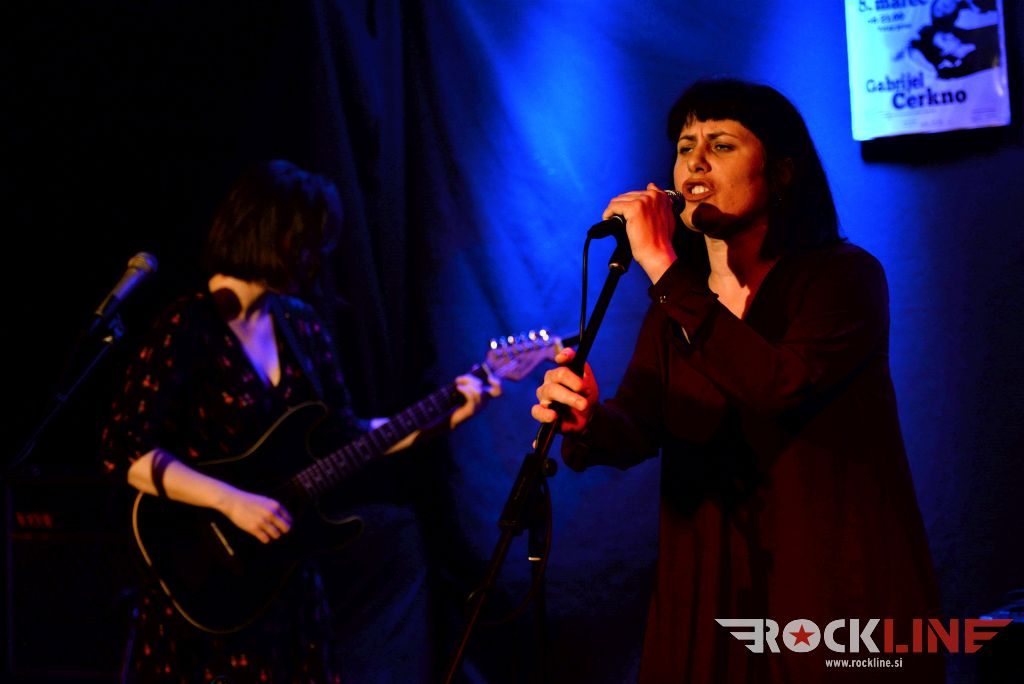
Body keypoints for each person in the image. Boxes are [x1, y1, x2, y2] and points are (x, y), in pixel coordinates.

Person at [532, 79, 942, 683]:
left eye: (720, 145)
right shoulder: (675, 308)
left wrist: (662, 265)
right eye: (684, 146)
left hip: (827, 595)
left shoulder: (843, 279)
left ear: (781, 174)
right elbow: (639, 425)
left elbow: (778, 387)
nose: (694, 162)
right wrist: (588, 417)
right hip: (710, 592)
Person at [101, 159, 499, 683]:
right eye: (307, 240)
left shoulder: (302, 325)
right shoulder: (186, 325)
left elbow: (348, 438)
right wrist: (232, 502)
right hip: (204, 582)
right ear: (271, 233)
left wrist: (445, 414)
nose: (316, 256)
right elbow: (126, 450)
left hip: (284, 586)